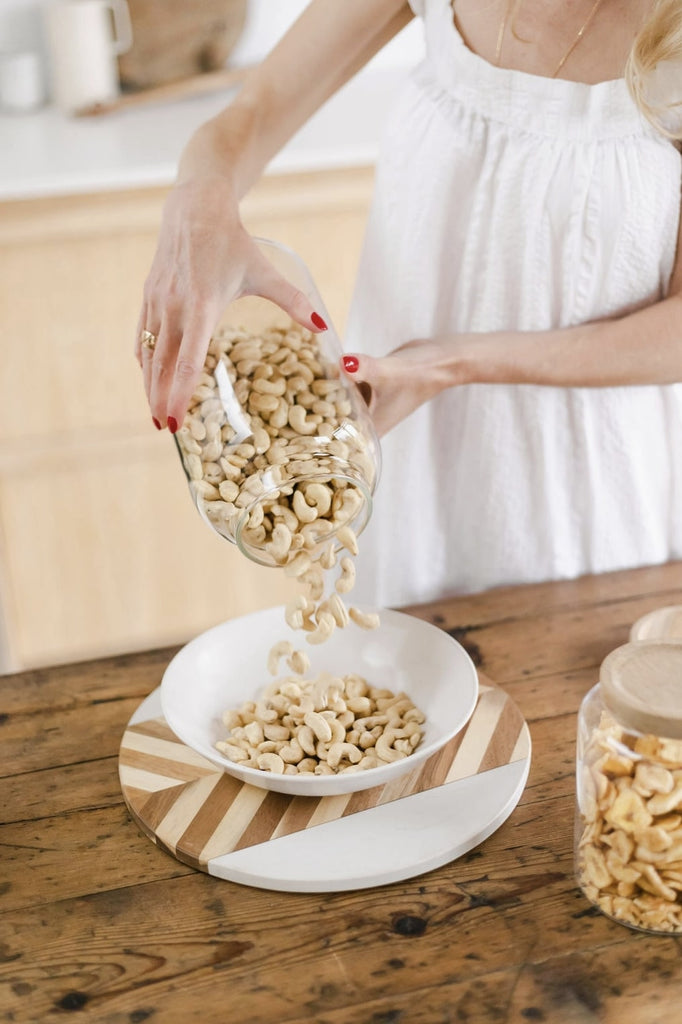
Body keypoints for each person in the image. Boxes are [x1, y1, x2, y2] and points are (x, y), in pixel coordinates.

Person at [136, 0, 682, 608]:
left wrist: (451, 363)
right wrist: (198, 201)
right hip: (400, 457)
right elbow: (253, 111)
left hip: (582, 501)